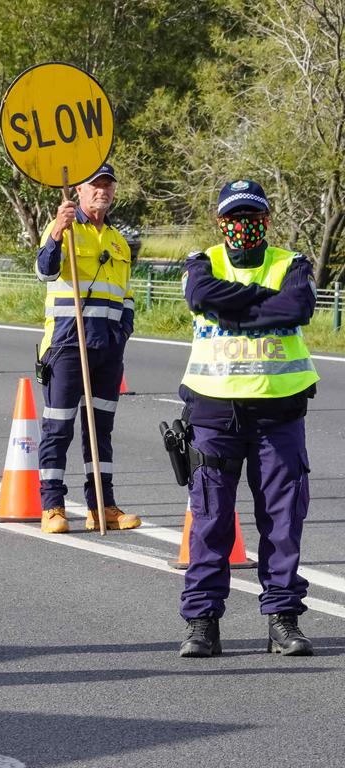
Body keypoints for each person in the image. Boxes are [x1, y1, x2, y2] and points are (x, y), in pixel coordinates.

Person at [177, 179, 319, 658]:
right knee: (210, 521)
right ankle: (202, 623)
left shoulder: (292, 263)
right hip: (214, 413)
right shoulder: (202, 262)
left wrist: (232, 309)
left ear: (266, 221)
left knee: (282, 521)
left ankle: (282, 617)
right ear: (221, 222)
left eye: (252, 218)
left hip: (278, 413)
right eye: (235, 219)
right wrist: (263, 305)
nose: (243, 227)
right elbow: (200, 296)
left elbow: (296, 307)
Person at [34, 163, 141, 534]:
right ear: (79, 189)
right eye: (95, 185)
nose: (103, 191)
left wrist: (123, 330)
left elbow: (126, 294)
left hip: (108, 347)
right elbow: (45, 272)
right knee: (58, 427)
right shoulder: (62, 226)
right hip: (67, 342)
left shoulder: (118, 240)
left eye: (108, 185)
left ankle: (101, 505)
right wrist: (56, 234)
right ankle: (52, 506)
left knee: (101, 429)